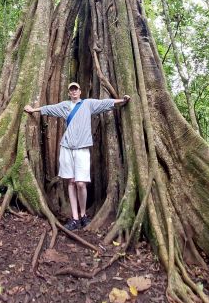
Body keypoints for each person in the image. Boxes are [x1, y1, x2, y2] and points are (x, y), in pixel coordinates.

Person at [24, 82, 130, 230]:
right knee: (72, 182)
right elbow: (48, 109)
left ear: (80, 91)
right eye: (71, 90)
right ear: (69, 93)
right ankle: (74, 218)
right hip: (67, 147)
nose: (74, 92)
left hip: (82, 149)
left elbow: (104, 103)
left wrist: (122, 101)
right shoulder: (64, 106)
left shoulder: (88, 104)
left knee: (81, 183)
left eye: (76, 89)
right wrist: (32, 109)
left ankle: (83, 215)